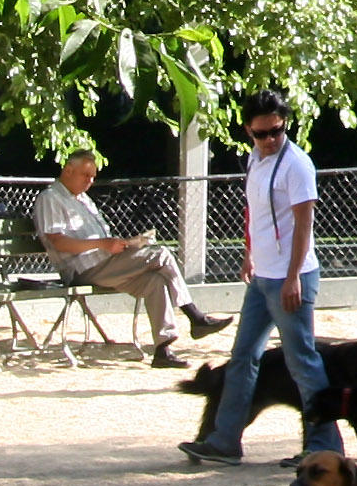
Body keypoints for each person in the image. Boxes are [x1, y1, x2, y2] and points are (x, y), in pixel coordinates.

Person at [176, 93, 344, 467]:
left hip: (291, 277)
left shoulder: (297, 165)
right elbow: (254, 211)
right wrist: (249, 252)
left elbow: (304, 224)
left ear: (285, 124)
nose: (270, 139)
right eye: (261, 133)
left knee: (303, 361)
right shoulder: (255, 159)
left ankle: (324, 445)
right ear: (248, 131)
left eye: (277, 131)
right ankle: (225, 441)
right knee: (242, 357)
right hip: (262, 277)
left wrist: (292, 277)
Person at [32, 147, 225, 366]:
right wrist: (103, 244)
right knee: (161, 254)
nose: (90, 181)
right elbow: (58, 241)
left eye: (93, 176)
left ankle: (163, 350)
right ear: (68, 170)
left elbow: (100, 239)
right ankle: (195, 316)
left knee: (156, 281)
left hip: (106, 264)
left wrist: (124, 244)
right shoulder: (51, 198)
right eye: (86, 175)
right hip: (82, 270)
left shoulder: (83, 199)